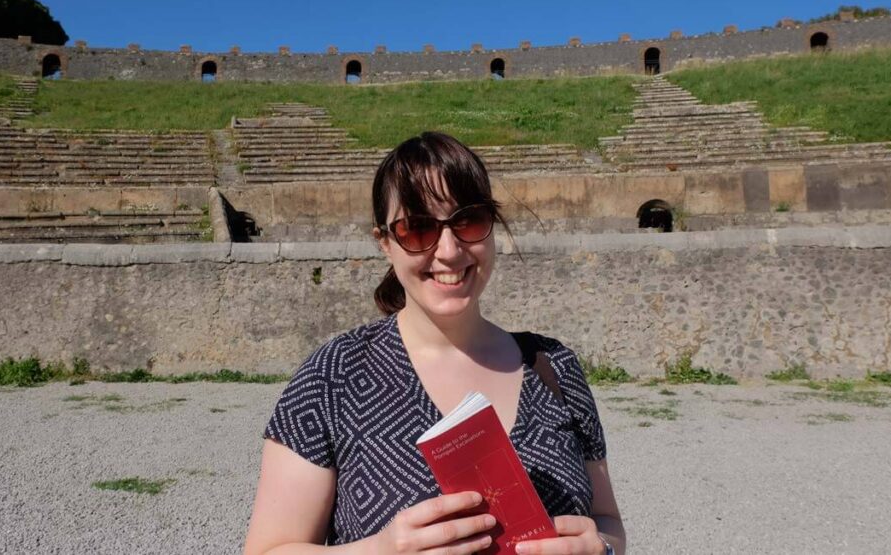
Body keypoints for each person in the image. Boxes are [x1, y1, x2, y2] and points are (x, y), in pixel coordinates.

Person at [243, 132, 625, 555]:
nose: (448, 250)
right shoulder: (334, 376)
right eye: (417, 228)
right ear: (385, 243)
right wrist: (380, 551)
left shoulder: (556, 367)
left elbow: (607, 520)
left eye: (468, 220)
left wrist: (602, 549)